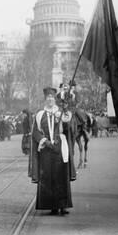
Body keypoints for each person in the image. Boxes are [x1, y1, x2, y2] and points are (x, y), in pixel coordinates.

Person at [29, 87, 76, 216]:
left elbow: (68, 126)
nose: (50, 99)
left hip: (60, 147)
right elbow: (35, 132)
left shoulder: (60, 112)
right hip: (46, 149)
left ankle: (63, 206)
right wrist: (45, 141)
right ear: (45, 99)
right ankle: (52, 206)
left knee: (61, 176)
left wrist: (65, 112)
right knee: (48, 177)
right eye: (48, 97)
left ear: (55, 99)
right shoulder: (39, 115)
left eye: (52, 97)